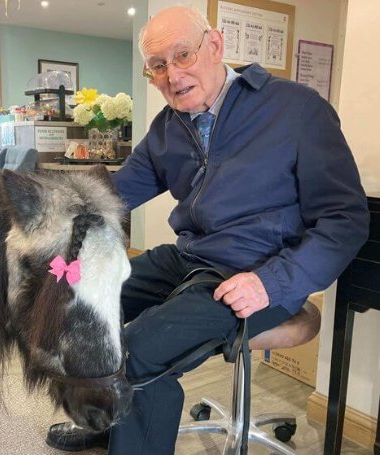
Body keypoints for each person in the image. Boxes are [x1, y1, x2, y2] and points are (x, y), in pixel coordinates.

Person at [46, 5, 369, 455]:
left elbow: (345, 219)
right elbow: (113, 194)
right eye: (158, 66)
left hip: (255, 273)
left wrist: (271, 283)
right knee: (72, 305)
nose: (172, 75)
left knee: (138, 351)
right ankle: (107, 421)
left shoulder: (296, 111)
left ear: (215, 46)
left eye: (183, 56)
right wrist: (46, 216)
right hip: (188, 259)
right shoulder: (168, 128)